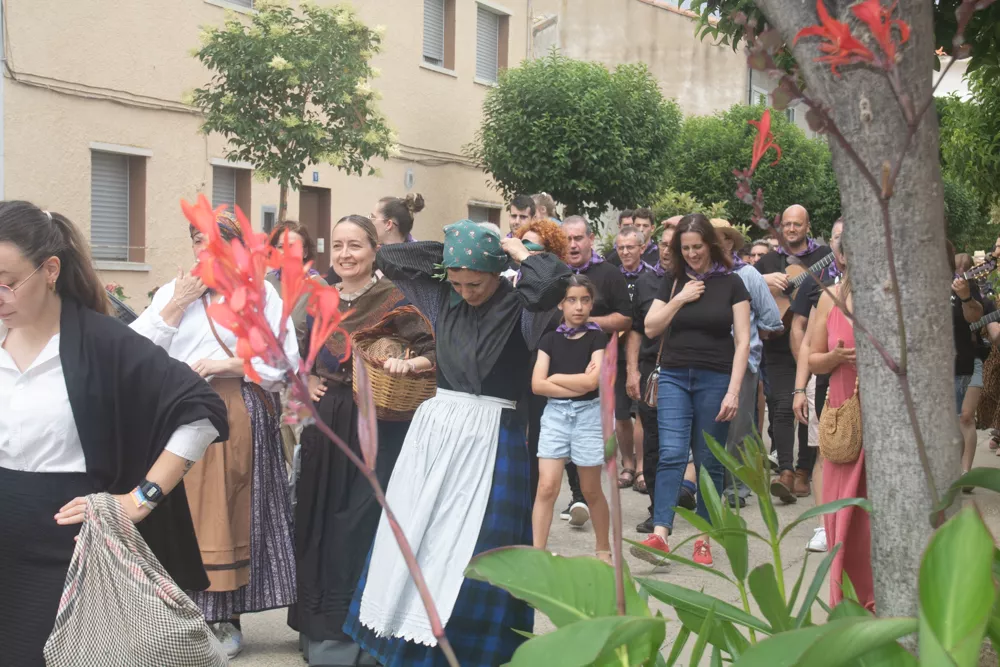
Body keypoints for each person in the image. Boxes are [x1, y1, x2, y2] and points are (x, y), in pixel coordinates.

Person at [0, 201, 229, 666]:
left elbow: (201, 411)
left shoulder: (104, 343)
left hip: (74, 554)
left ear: (50, 270)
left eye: (5, 282)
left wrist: (139, 499)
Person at [345, 220, 570, 667]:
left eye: (477, 282)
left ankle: (473, 651)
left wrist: (514, 254)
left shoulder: (523, 307)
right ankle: (401, 646)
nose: (466, 290)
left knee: (480, 546)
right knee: (416, 535)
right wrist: (459, 250)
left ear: (497, 273)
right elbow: (393, 257)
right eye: (457, 280)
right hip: (437, 430)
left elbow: (555, 281)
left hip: (494, 435)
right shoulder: (439, 295)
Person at [131, 210, 299, 658]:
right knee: (178, 512)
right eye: (197, 241)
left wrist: (230, 365)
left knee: (229, 512)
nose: (204, 251)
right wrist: (174, 304)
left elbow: (286, 364)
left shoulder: (261, 294)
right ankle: (179, 616)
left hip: (237, 411)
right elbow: (135, 352)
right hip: (176, 411)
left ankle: (226, 619)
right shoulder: (174, 291)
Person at [289, 215, 435, 667]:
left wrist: (407, 367)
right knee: (316, 518)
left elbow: (432, 352)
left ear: (375, 249)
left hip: (378, 424)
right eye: (337, 246)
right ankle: (316, 628)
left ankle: (355, 633)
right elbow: (292, 351)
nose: (345, 255)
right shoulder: (318, 299)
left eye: (355, 245)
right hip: (327, 420)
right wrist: (304, 377)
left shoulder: (396, 300)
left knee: (359, 522)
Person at [634, 213, 751, 566]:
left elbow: (743, 342)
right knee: (670, 453)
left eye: (697, 247)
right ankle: (660, 535)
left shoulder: (732, 283)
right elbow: (651, 327)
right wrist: (681, 298)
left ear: (711, 245)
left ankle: (704, 539)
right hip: (673, 376)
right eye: (684, 248)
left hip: (716, 378)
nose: (692, 255)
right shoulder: (671, 282)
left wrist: (733, 391)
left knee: (707, 459)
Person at [807, 231, 872, 610]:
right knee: (842, 522)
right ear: (842, 257)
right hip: (845, 421)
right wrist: (835, 358)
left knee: (870, 523)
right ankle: (846, 604)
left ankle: (877, 601)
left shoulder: (887, 296)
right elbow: (812, 358)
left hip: (881, 422)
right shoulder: (829, 299)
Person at [754, 205, 832, 503]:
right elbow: (747, 290)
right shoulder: (769, 261)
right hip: (776, 343)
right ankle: (785, 470)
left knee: (810, 407)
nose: (791, 229)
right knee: (783, 405)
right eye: (786, 224)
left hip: (815, 344)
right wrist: (765, 281)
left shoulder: (823, 259)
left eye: (797, 224)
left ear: (807, 226)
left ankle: (804, 470)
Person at [531, 275, 611, 563]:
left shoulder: (596, 336)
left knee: (590, 489)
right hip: (555, 415)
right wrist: (573, 382)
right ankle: (538, 553)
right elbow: (537, 385)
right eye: (572, 300)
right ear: (561, 304)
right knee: (546, 487)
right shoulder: (549, 339)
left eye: (585, 300)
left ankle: (603, 549)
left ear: (591, 303)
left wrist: (557, 377)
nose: (579, 306)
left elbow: (592, 383)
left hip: (587, 415)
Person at [560, 216, 632, 524]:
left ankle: (591, 494)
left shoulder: (610, 274)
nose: (573, 245)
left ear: (591, 239)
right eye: (568, 239)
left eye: (578, 238)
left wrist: (588, 323)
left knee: (592, 431)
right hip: (563, 363)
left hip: (601, 364)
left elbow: (626, 319)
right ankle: (578, 497)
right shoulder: (556, 274)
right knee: (565, 426)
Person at [712, 219, 782, 509]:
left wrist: (752, 338)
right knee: (713, 427)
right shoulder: (700, 275)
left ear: (730, 242)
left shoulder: (749, 274)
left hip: (745, 364)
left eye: (717, 238)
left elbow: (772, 320)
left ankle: (737, 488)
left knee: (739, 429)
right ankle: (713, 485)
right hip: (710, 362)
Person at [791, 219, 844, 553]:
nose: (843, 243)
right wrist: (800, 387)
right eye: (838, 237)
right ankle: (825, 525)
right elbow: (806, 337)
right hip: (823, 381)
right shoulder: (818, 283)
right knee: (823, 455)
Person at [514, 218, 570, 500]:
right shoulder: (510, 279)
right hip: (513, 367)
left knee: (537, 437)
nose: (526, 250)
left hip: (544, 369)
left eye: (533, 246)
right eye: (522, 244)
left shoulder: (557, 281)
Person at [267, 221, 329, 464]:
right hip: (264, 381)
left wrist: (314, 377)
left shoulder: (317, 287)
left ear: (304, 251)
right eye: (279, 246)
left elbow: (325, 341)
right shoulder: (266, 284)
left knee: (297, 455)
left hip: (298, 386)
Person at [612, 226, 652, 493]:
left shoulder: (652, 276)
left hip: (645, 352)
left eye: (630, 247)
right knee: (621, 413)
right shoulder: (611, 276)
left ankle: (641, 467)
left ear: (642, 247)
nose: (626, 252)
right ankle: (626, 464)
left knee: (644, 414)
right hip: (614, 353)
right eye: (621, 247)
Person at [950, 244, 986, 479]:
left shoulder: (974, 297)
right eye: (956, 268)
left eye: (965, 269)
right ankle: (954, 471)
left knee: (965, 417)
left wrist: (965, 297)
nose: (960, 272)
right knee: (953, 422)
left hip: (971, 362)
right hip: (947, 367)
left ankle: (966, 473)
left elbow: (976, 315)